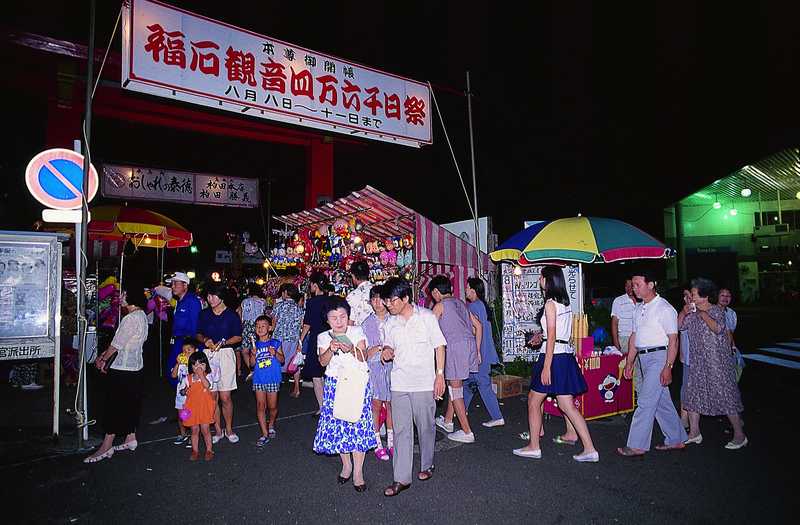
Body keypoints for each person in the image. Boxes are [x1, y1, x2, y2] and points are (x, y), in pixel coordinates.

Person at [513, 265, 599, 462]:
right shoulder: (564, 303)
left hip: (553, 357)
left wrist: (546, 366)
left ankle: (534, 446)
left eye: (541, 277)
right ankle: (590, 449)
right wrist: (540, 337)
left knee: (534, 401)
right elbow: (554, 333)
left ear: (547, 280)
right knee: (566, 404)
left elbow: (552, 336)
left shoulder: (551, 303)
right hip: (563, 355)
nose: (539, 280)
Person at [380, 278, 447, 498]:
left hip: (424, 383)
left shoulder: (426, 318)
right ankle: (401, 478)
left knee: (425, 427)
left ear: (406, 298)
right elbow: (388, 345)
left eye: (392, 300)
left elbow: (439, 346)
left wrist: (440, 376)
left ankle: (427, 464)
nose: (388, 304)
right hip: (399, 383)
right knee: (401, 431)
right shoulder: (390, 322)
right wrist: (386, 351)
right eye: (387, 300)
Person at [617, 270, 688, 457]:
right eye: (633, 284)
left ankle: (637, 445)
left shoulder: (665, 308)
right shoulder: (638, 309)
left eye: (637, 284)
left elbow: (674, 340)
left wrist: (668, 367)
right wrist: (630, 362)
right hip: (643, 357)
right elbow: (634, 337)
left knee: (646, 401)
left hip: (659, 357)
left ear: (651, 285)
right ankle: (677, 438)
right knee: (661, 402)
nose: (634, 288)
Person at [312, 297, 374, 493]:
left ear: (348, 316)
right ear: (327, 320)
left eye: (343, 316)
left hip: (356, 383)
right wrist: (331, 348)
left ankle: (358, 472)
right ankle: (346, 466)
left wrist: (352, 349)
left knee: (358, 426)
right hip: (334, 385)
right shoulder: (323, 337)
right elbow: (322, 363)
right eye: (334, 317)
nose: (339, 321)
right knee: (340, 427)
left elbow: (365, 356)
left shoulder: (356, 331)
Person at [680, 278, 747, 449]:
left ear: (704, 296)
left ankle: (740, 435)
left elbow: (718, 329)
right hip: (698, 362)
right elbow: (679, 326)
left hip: (717, 362)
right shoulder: (691, 312)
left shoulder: (716, 310)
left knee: (726, 396)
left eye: (694, 294)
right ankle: (694, 433)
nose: (691, 297)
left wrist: (702, 314)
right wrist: (684, 311)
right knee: (693, 395)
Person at [84, 287, 148, 463]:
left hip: (123, 368)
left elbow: (116, 344)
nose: (120, 298)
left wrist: (102, 358)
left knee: (114, 406)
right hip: (136, 367)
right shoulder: (142, 316)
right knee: (130, 403)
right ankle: (130, 437)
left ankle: (106, 446)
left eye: (124, 294)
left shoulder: (130, 318)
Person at [428, 275, 481, 444]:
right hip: (469, 345)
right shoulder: (461, 303)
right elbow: (478, 325)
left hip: (455, 346)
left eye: (433, 294)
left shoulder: (440, 306)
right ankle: (448, 421)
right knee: (454, 384)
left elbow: (429, 331)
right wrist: (478, 350)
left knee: (456, 389)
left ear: (436, 292)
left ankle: (467, 432)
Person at [196, 283, 243, 444]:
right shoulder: (204, 314)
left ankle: (229, 429)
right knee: (212, 395)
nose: (209, 299)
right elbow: (198, 334)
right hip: (208, 354)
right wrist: (206, 340)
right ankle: (217, 430)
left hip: (225, 354)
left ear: (221, 296)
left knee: (225, 396)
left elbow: (238, 336)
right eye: (207, 296)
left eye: (212, 296)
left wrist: (223, 343)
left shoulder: (231, 315)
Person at [464, 277, 504, 427]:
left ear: (473, 291)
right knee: (468, 384)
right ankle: (461, 410)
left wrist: (475, 352)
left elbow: (475, 330)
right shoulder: (482, 305)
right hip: (485, 351)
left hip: (479, 352)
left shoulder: (473, 307)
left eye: (467, 288)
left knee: (482, 384)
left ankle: (497, 416)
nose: (465, 290)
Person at [362, 285, 394, 460]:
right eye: (373, 299)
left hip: (392, 368)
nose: (377, 303)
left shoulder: (394, 319)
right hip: (374, 368)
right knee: (375, 404)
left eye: (380, 299)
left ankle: (391, 441)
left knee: (391, 404)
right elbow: (362, 353)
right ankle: (376, 442)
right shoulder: (367, 323)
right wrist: (375, 349)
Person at [250, 315, 284, 446]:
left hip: (273, 379)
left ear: (270, 328)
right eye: (257, 326)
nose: (260, 328)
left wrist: (275, 353)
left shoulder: (275, 343)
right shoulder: (254, 345)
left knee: (272, 407)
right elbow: (252, 364)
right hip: (259, 379)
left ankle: (271, 424)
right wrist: (253, 354)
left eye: (263, 325)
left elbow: (282, 360)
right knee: (260, 406)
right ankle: (264, 434)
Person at [299, 272, 331, 413]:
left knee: (316, 375)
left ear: (315, 285)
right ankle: (329, 404)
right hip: (330, 338)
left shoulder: (312, 302)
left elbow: (307, 324)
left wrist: (300, 341)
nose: (310, 286)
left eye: (311, 284)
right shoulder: (330, 300)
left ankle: (321, 407)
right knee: (328, 372)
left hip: (316, 339)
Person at [181, 351, 217, 461]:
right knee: (194, 430)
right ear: (191, 367)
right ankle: (195, 450)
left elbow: (207, 385)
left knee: (205, 429)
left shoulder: (208, 376)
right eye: (195, 365)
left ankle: (209, 450)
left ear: (206, 365)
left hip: (204, 407)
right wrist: (184, 390)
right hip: (192, 408)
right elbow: (182, 392)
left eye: (201, 364)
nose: (198, 367)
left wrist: (201, 375)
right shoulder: (187, 378)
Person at [168, 272, 202, 386]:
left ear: (185, 285)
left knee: (185, 376)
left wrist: (190, 348)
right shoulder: (179, 301)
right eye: (172, 284)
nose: (172, 286)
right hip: (177, 342)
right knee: (175, 373)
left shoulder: (192, 301)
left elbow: (195, 326)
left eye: (175, 283)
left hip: (186, 344)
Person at [271, 282, 304, 397]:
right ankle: (297, 388)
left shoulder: (278, 306)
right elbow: (301, 325)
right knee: (294, 363)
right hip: (293, 339)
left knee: (277, 362)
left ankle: (276, 388)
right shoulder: (298, 308)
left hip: (279, 338)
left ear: (285, 293)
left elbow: (273, 325)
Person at [611, 278, 640, 394]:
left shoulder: (641, 301)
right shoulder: (618, 301)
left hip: (640, 339)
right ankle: (627, 401)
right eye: (626, 286)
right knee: (627, 369)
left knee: (639, 371)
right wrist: (616, 344)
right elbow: (614, 323)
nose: (629, 288)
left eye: (631, 286)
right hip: (624, 339)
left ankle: (638, 398)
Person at [237, 284, 267, 378]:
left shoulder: (244, 301)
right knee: (258, 348)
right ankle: (260, 367)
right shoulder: (263, 302)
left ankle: (251, 369)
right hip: (259, 326)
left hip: (247, 326)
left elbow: (240, 313)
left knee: (245, 350)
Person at [171, 342, 196, 446]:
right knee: (181, 416)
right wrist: (177, 363)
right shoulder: (180, 364)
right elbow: (173, 375)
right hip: (180, 394)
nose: (186, 352)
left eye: (189, 350)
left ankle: (192, 436)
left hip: (191, 395)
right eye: (184, 350)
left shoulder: (196, 364)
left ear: (195, 351)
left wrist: (189, 364)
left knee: (191, 416)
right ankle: (183, 434)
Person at [718, 287, 744, 381]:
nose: (725, 298)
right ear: (717, 296)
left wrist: (733, 347)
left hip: (729, 349)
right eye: (722, 295)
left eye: (728, 296)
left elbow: (731, 333)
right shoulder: (711, 312)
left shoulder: (732, 313)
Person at [678, 287, 693, 429]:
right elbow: (677, 326)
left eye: (689, 296)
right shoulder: (685, 312)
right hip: (688, 358)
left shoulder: (705, 311)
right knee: (686, 389)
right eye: (685, 296)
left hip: (703, 359)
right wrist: (683, 311)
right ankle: (684, 419)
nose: (686, 299)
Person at [346, 260, 374, 326]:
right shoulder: (377, 290)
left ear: (353, 276)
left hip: (359, 334)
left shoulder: (351, 296)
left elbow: (350, 323)